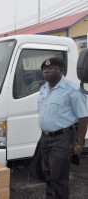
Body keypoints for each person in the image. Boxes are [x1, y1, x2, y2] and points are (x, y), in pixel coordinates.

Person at [38, 57, 88, 199]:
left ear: (60, 70)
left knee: (58, 178)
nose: (46, 71)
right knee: (47, 175)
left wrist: (79, 143)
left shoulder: (72, 90)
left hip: (62, 139)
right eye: (44, 69)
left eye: (50, 68)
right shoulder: (43, 89)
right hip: (45, 138)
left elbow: (83, 118)